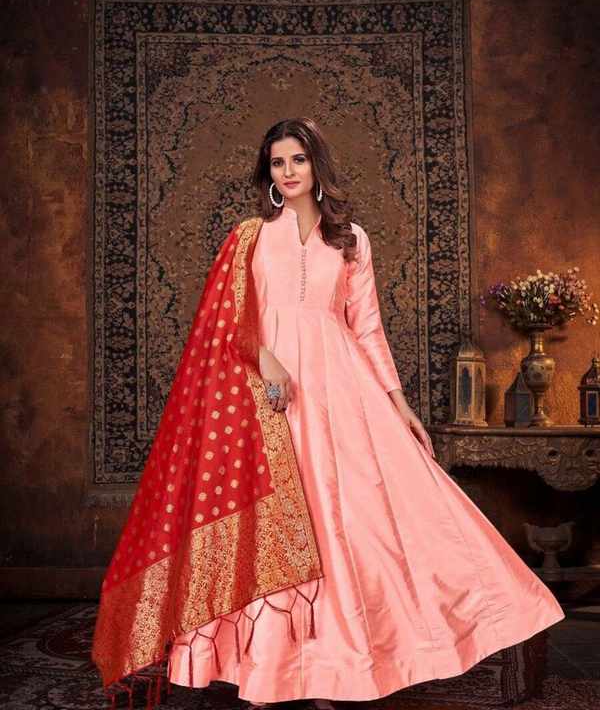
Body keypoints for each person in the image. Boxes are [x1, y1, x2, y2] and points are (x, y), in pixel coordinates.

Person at [92, 118, 565, 710]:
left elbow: (367, 329)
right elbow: (224, 322)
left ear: (317, 164)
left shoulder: (352, 240)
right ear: (268, 173)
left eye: (298, 159)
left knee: (351, 522)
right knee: (268, 526)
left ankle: (336, 670)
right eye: (278, 162)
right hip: (265, 397)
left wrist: (397, 402)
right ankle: (267, 672)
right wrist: (267, 360)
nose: (288, 171)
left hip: (342, 391)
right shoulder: (248, 239)